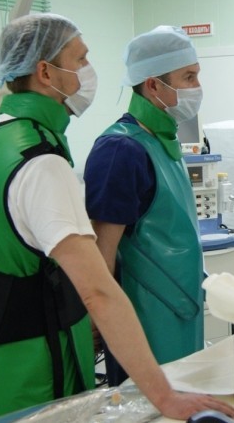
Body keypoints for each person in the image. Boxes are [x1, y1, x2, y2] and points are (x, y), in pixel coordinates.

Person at [0, 14, 234, 422]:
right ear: (45, 72)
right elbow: (98, 290)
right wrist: (165, 397)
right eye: (81, 59)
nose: (89, 71)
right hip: (35, 367)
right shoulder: (42, 161)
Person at [83, 26, 204, 385]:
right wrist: (97, 318)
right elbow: (102, 252)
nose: (197, 87)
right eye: (188, 77)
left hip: (182, 308)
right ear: (153, 85)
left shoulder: (163, 142)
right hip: (143, 316)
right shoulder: (121, 150)